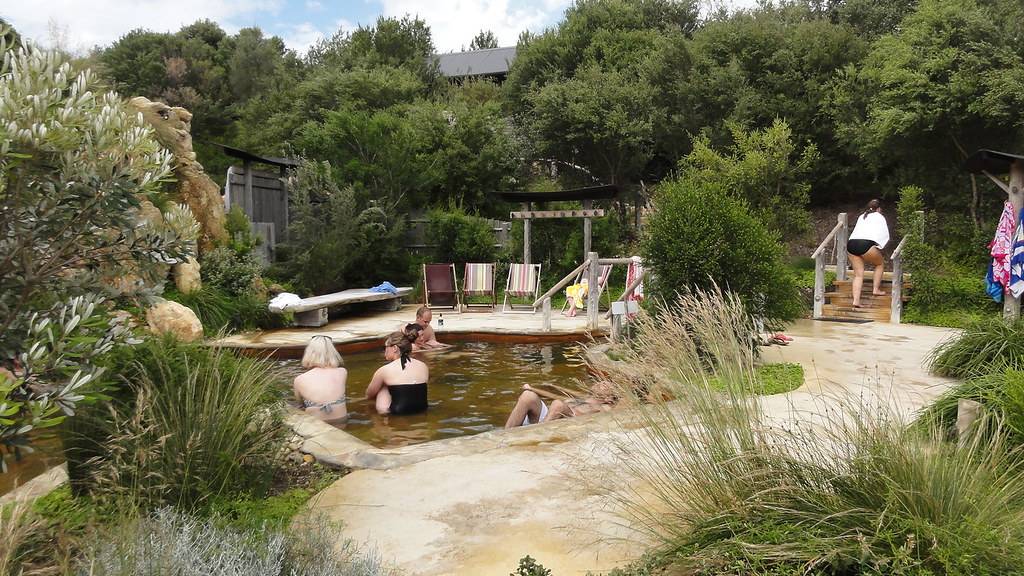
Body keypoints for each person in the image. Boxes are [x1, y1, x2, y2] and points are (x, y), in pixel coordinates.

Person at [366, 328, 430, 415]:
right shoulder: (423, 366)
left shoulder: (384, 370)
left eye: (386, 347)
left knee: (383, 387)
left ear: (395, 348)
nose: (384, 351)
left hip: (396, 412)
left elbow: (369, 395)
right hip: (422, 410)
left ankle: (381, 424)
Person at [504, 382, 618, 428]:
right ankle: (506, 434)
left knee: (558, 405)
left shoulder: (605, 407)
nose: (600, 382)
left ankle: (537, 432)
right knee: (527, 396)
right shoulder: (583, 398)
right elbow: (554, 397)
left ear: (608, 398)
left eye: (605, 385)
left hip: (566, 422)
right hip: (549, 417)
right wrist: (532, 389)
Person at [846, 198, 891, 308]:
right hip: (864, 244)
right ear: (879, 209)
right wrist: (879, 245)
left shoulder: (862, 216)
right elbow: (883, 234)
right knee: (879, 264)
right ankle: (876, 289)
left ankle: (856, 301)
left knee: (858, 275)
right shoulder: (879, 216)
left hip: (851, 244)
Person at [293, 335, 348, 422]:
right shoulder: (342, 372)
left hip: (315, 424)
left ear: (309, 353)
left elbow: (300, 404)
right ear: (333, 353)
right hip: (341, 421)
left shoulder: (299, 380)